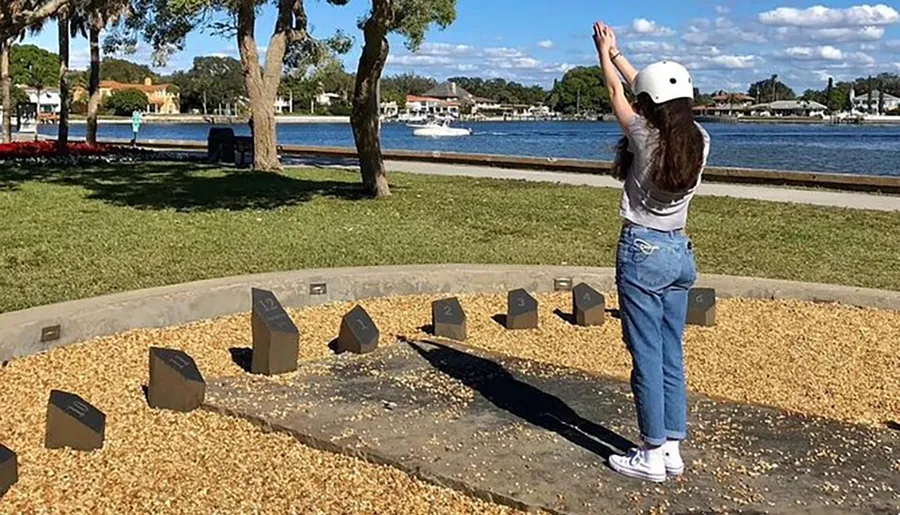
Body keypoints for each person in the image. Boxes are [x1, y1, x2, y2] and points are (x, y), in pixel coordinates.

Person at [592, 21, 711, 483]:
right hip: (680, 252)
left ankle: (652, 452)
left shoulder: (645, 137)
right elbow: (650, 89)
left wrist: (605, 54)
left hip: (642, 251)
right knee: (670, 351)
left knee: (644, 353)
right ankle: (673, 446)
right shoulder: (699, 140)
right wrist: (620, 54)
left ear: (651, 104)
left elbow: (617, 91)